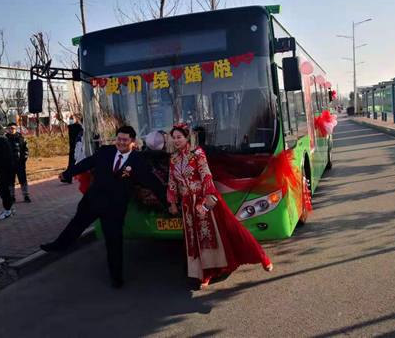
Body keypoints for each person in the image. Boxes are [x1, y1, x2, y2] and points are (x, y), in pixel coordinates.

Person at [40, 126, 168, 289]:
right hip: (94, 200)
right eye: (118, 139)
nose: (121, 143)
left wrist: (169, 203)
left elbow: (152, 183)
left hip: (114, 208)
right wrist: (68, 173)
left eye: (125, 140)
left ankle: (116, 278)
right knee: (76, 224)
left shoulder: (137, 161)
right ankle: (58, 245)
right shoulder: (106, 151)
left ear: (133, 141)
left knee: (114, 242)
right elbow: (87, 163)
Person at [167, 123, 273, 290]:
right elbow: (172, 182)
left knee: (227, 230)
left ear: (187, 138)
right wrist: (172, 202)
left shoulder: (197, 153)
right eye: (173, 138)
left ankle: (262, 257)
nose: (176, 140)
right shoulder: (173, 159)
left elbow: (206, 173)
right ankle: (205, 273)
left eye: (179, 137)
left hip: (204, 199)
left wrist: (209, 194)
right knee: (195, 239)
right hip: (188, 205)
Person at [6, 122, 32, 203]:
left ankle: (26, 195)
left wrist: (22, 159)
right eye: (9, 128)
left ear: (16, 129)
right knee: (10, 181)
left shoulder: (21, 138)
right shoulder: (4, 139)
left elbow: (26, 150)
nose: (11, 130)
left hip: (20, 163)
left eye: (13, 128)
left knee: (23, 180)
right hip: (9, 164)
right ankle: (11, 196)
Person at [62, 115, 84, 184]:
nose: (71, 120)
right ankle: (69, 177)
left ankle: (69, 177)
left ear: (75, 120)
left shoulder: (79, 127)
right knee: (71, 163)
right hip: (72, 147)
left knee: (74, 163)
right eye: (70, 119)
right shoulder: (70, 127)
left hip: (77, 147)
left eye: (72, 119)